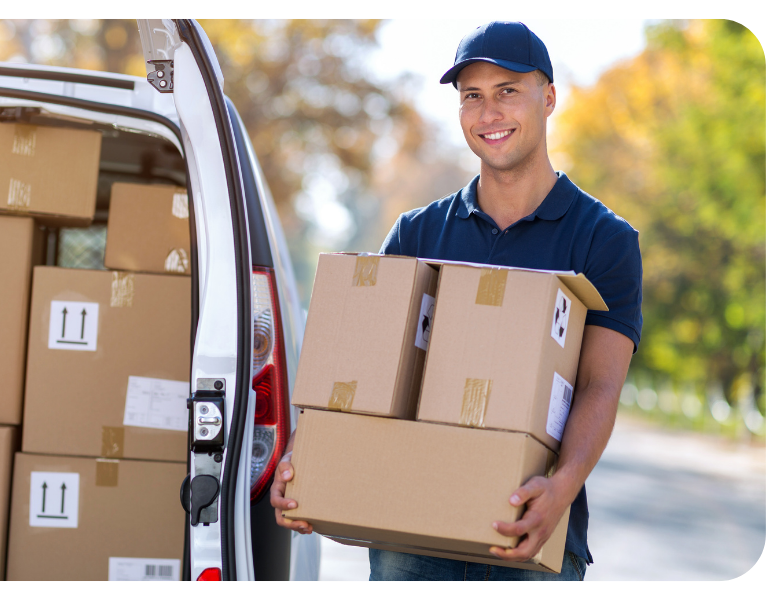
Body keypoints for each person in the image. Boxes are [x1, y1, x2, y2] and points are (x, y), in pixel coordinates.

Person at [270, 21, 643, 582]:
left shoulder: (602, 239)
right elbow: (358, 366)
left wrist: (560, 490)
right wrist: (307, 458)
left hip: (529, 528)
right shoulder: (417, 235)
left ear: (549, 98)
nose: (488, 113)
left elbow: (600, 383)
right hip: (410, 533)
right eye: (472, 97)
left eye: (507, 92)